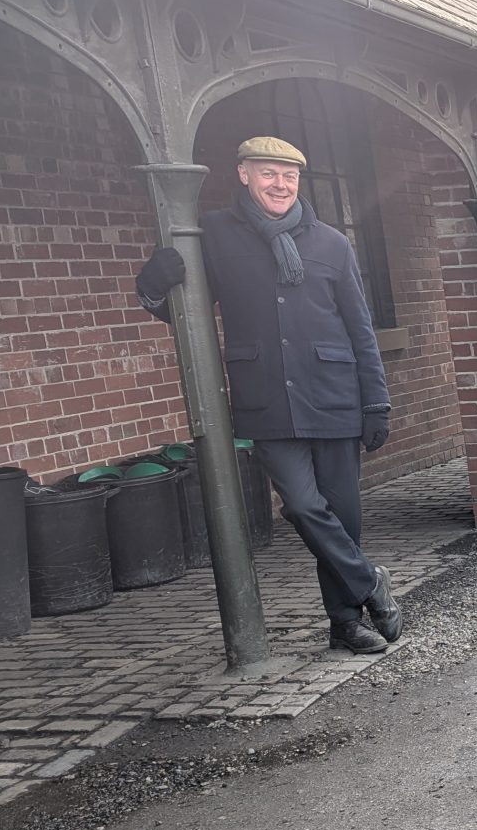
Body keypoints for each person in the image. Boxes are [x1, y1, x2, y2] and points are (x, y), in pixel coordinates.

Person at [135, 136, 401, 655]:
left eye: (289, 175)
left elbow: (361, 329)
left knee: (342, 518)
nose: (280, 184)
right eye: (268, 173)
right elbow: (182, 315)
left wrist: (376, 401)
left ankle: (345, 624)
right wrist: (151, 287)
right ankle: (370, 583)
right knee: (303, 507)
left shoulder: (331, 243)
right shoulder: (212, 234)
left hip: (335, 397)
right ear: (243, 174)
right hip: (265, 401)